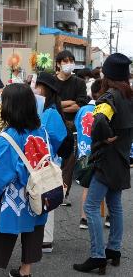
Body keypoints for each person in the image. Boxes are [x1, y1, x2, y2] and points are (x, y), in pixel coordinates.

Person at [0, 84, 52, 277]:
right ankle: (25, 271)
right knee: (34, 229)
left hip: (14, 195)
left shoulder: (9, 136)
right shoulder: (42, 131)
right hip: (38, 191)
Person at [73, 53, 133, 274]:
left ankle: (97, 255)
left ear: (107, 75)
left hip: (106, 159)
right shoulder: (129, 96)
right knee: (115, 205)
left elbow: (98, 121)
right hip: (122, 158)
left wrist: (105, 136)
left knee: (91, 206)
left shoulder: (109, 97)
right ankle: (114, 250)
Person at [34, 72, 68, 254]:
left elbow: (54, 139)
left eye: (38, 85)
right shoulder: (47, 110)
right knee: (43, 197)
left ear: (45, 89)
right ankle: (42, 238)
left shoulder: (50, 112)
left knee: (47, 198)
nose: (35, 89)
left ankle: (46, 240)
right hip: (45, 161)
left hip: (48, 162)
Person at [53, 50, 88, 206]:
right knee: (52, 160)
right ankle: (49, 190)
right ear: (59, 63)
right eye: (65, 61)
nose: (69, 64)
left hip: (72, 126)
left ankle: (63, 193)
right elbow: (50, 103)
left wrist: (59, 105)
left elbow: (80, 104)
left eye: (71, 61)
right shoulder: (51, 82)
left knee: (69, 161)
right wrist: (69, 103)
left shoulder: (79, 82)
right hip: (53, 125)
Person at [74, 79, 103, 230]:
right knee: (105, 184)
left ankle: (83, 218)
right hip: (99, 153)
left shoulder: (82, 110)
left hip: (84, 153)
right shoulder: (103, 109)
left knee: (87, 185)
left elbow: (77, 127)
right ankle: (108, 217)